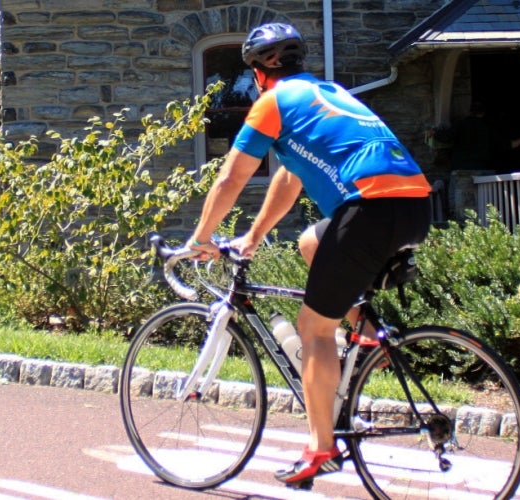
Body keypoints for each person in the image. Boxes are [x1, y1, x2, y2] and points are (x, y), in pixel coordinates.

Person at [184, 22, 433, 488]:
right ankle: (371, 332)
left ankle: (321, 449)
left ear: (259, 73)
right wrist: (254, 236)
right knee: (310, 242)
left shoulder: (272, 103)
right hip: (414, 203)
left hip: (369, 208)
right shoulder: (327, 93)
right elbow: (288, 177)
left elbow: (231, 179)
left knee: (313, 329)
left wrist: (202, 238)